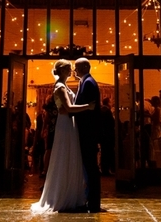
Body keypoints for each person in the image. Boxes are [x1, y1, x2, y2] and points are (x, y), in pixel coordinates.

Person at [30, 59, 96, 214]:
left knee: (69, 157)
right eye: (68, 69)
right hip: (65, 125)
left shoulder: (62, 86)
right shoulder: (60, 87)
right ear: (62, 71)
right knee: (65, 156)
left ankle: (70, 192)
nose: (71, 71)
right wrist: (88, 106)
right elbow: (68, 108)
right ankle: (63, 195)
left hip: (67, 123)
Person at [73, 58, 103, 213]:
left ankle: (93, 202)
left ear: (85, 67)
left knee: (90, 166)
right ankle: (90, 200)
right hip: (87, 131)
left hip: (88, 131)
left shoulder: (89, 83)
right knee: (88, 166)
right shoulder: (85, 82)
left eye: (76, 67)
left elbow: (89, 109)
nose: (74, 70)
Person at [98, 98, 116, 175]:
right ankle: (107, 169)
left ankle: (104, 169)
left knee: (104, 152)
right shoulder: (107, 111)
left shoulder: (100, 110)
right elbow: (111, 122)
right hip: (108, 134)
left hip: (102, 134)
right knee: (108, 152)